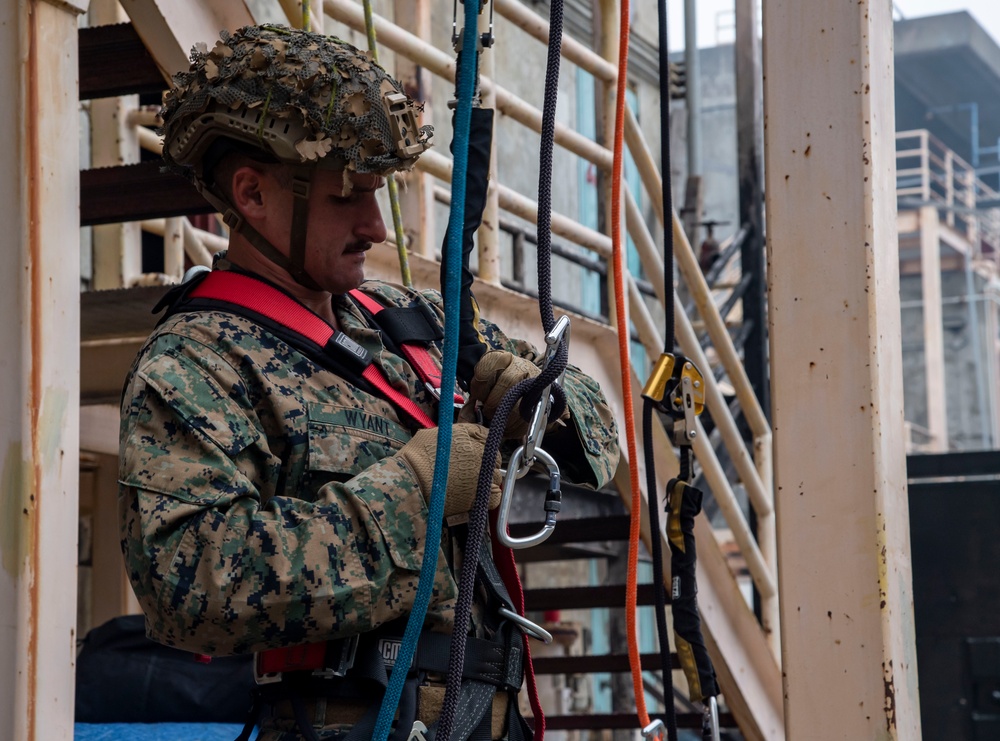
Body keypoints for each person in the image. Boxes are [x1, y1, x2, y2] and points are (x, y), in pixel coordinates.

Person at [118, 24, 619, 741]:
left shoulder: (410, 323)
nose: (377, 228)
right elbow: (189, 587)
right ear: (252, 194)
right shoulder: (198, 364)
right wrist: (416, 495)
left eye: (380, 194)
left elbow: (601, 445)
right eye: (347, 197)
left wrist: (543, 404)